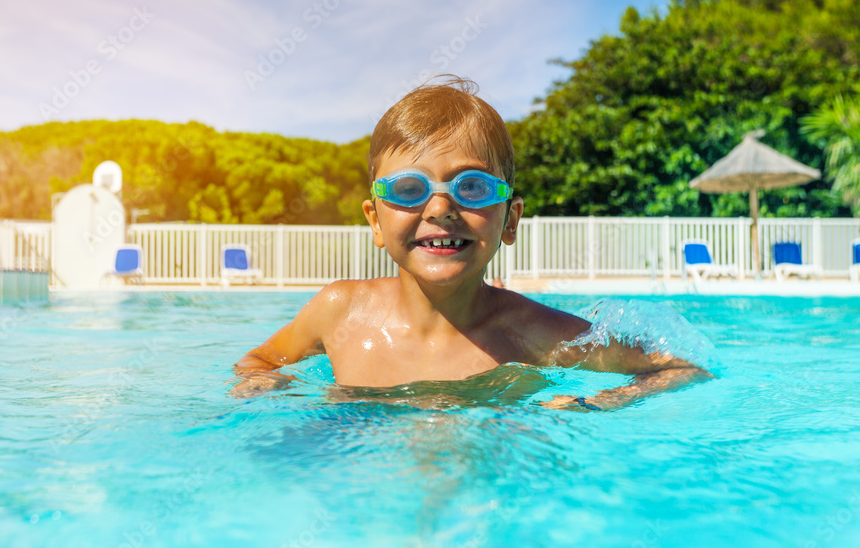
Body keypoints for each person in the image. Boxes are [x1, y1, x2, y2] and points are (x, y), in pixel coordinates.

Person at [232, 77, 709, 408]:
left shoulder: (534, 334)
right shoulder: (339, 311)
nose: (440, 209)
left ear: (509, 219)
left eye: (473, 188)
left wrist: (596, 403)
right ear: (375, 221)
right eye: (408, 190)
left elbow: (684, 369)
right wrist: (265, 386)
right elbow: (258, 360)